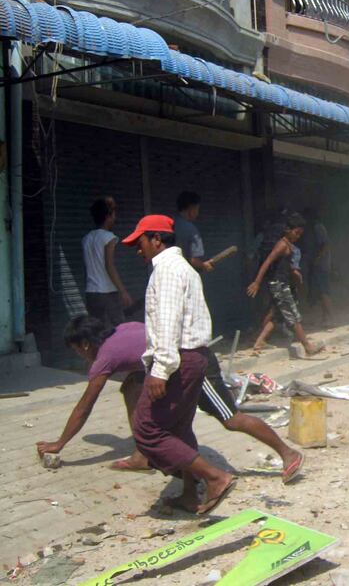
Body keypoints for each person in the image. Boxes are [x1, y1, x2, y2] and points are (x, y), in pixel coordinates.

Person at [35, 316, 304, 492]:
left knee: (230, 419)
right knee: (132, 387)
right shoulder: (121, 329)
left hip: (194, 365)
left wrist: (59, 443)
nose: (80, 356)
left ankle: (287, 453)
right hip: (171, 367)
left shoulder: (105, 356)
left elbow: (85, 404)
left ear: (84, 344)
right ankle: (144, 457)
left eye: (76, 351)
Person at [120, 214, 235, 515]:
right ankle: (188, 493)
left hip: (177, 359)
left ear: (156, 239)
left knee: (147, 430)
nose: (138, 249)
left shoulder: (168, 271)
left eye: (140, 242)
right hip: (190, 357)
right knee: (180, 428)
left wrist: (160, 369)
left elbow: (168, 323)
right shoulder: (180, 268)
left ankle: (215, 477)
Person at [248, 213, 323, 356]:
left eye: (300, 234)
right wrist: (257, 282)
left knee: (276, 314)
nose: (298, 236)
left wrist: (295, 274)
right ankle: (308, 347)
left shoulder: (289, 246)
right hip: (279, 285)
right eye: (296, 233)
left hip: (281, 283)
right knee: (293, 315)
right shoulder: (282, 244)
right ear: (288, 230)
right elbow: (267, 262)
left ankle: (259, 341)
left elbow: (285, 265)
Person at [82, 196, 133, 326]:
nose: (115, 218)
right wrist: (123, 291)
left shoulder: (86, 238)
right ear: (108, 216)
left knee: (97, 330)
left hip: (91, 293)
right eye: (114, 214)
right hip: (107, 292)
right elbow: (109, 266)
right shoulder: (108, 237)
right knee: (118, 329)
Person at [305, 208, 334, 327]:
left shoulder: (318, 227)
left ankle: (330, 317)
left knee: (323, 291)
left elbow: (325, 245)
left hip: (321, 265)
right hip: (321, 264)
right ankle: (325, 317)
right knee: (320, 292)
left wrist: (317, 260)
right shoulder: (317, 227)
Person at [173, 191, 214, 273]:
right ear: (191, 209)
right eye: (197, 208)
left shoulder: (169, 225)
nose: (197, 213)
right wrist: (204, 265)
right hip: (185, 275)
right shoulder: (192, 230)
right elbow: (194, 260)